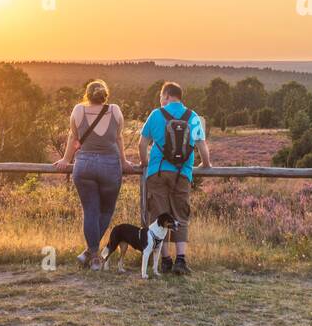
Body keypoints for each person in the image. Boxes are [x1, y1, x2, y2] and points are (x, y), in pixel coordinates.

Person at [54, 79, 130, 270]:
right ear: (106, 95)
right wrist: (124, 161)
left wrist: (65, 160)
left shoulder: (78, 110)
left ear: (87, 95)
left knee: (90, 210)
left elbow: (73, 136)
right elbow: (118, 137)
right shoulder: (115, 110)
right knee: (106, 210)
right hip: (110, 166)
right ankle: (93, 254)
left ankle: (92, 254)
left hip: (84, 164)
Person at [138, 82, 211, 275]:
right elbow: (203, 147)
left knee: (158, 216)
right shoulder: (193, 117)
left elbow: (142, 143)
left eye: (161, 97)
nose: (160, 101)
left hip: (158, 172)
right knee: (181, 215)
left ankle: (165, 260)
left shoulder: (156, 115)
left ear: (166, 96)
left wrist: (146, 163)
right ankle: (181, 261)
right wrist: (204, 165)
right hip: (183, 173)